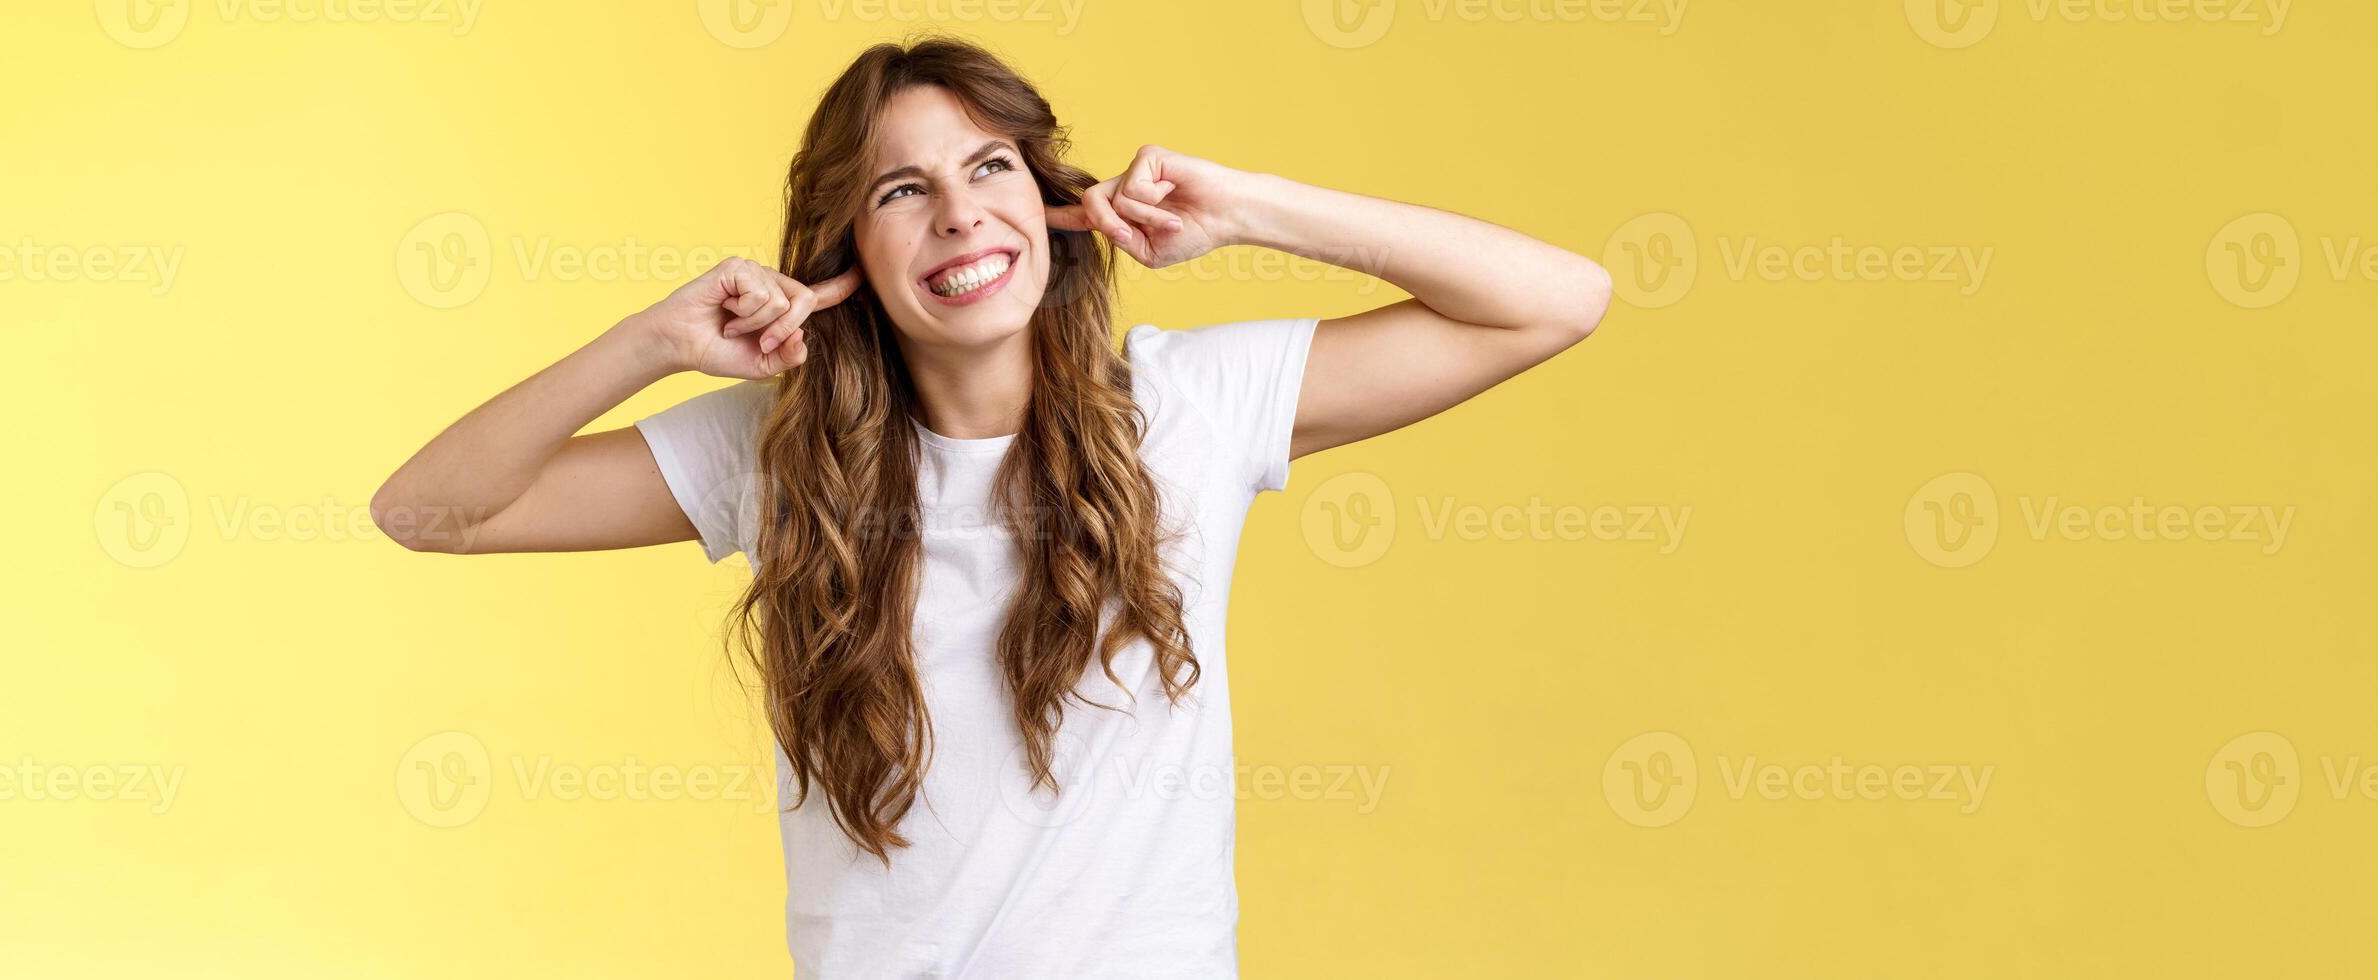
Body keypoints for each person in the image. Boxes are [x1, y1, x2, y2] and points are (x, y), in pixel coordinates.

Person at [369, 36, 1611, 979]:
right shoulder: (779, 448)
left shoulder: (1185, 408)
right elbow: (429, 510)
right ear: (845, 247)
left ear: (1048, 202)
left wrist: (1244, 210)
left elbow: (1554, 298)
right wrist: (651, 340)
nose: (960, 210)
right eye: (901, 190)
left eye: (988, 166)